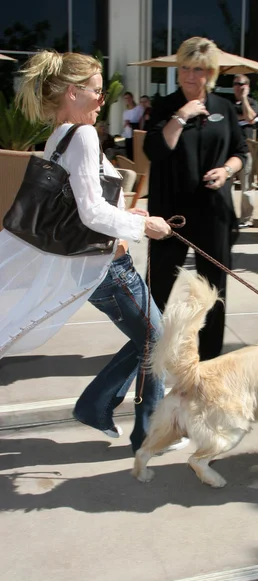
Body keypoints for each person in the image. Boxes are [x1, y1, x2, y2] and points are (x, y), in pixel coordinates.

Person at [0, 50, 174, 454]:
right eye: (96, 92)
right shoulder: (84, 135)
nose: (102, 100)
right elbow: (92, 211)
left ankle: (97, 406)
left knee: (149, 338)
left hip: (94, 267)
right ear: (74, 92)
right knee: (158, 339)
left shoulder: (60, 135)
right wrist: (143, 225)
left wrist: (127, 212)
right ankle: (146, 431)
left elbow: (82, 202)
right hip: (109, 269)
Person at [144, 37, 248, 361]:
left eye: (198, 69)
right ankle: (148, 346)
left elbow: (241, 151)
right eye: (185, 68)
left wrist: (227, 171)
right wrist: (182, 115)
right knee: (157, 286)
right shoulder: (165, 105)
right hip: (171, 214)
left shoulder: (225, 108)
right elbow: (154, 150)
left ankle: (209, 356)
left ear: (210, 73)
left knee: (213, 289)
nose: (190, 76)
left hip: (213, 211)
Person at [232, 74, 258, 228]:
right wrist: (238, 116)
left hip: (247, 149)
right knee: (226, 185)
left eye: (241, 84)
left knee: (247, 186)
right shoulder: (228, 103)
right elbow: (226, 118)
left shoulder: (253, 102)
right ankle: (227, 215)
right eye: (235, 83)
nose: (238, 86)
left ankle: (246, 218)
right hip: (229, 150)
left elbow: (250, 117)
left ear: (247, 86)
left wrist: (244, 99)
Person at [121, 91, 136, 160]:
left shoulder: (138, 109)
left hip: (135, 136)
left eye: (128, 98)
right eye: (125, 98)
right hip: (127, 136)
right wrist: (126, 123)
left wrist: (131, 123)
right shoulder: (125, 112)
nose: (127, 100)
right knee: (129, 156)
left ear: (132, 98)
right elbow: (124, 125)